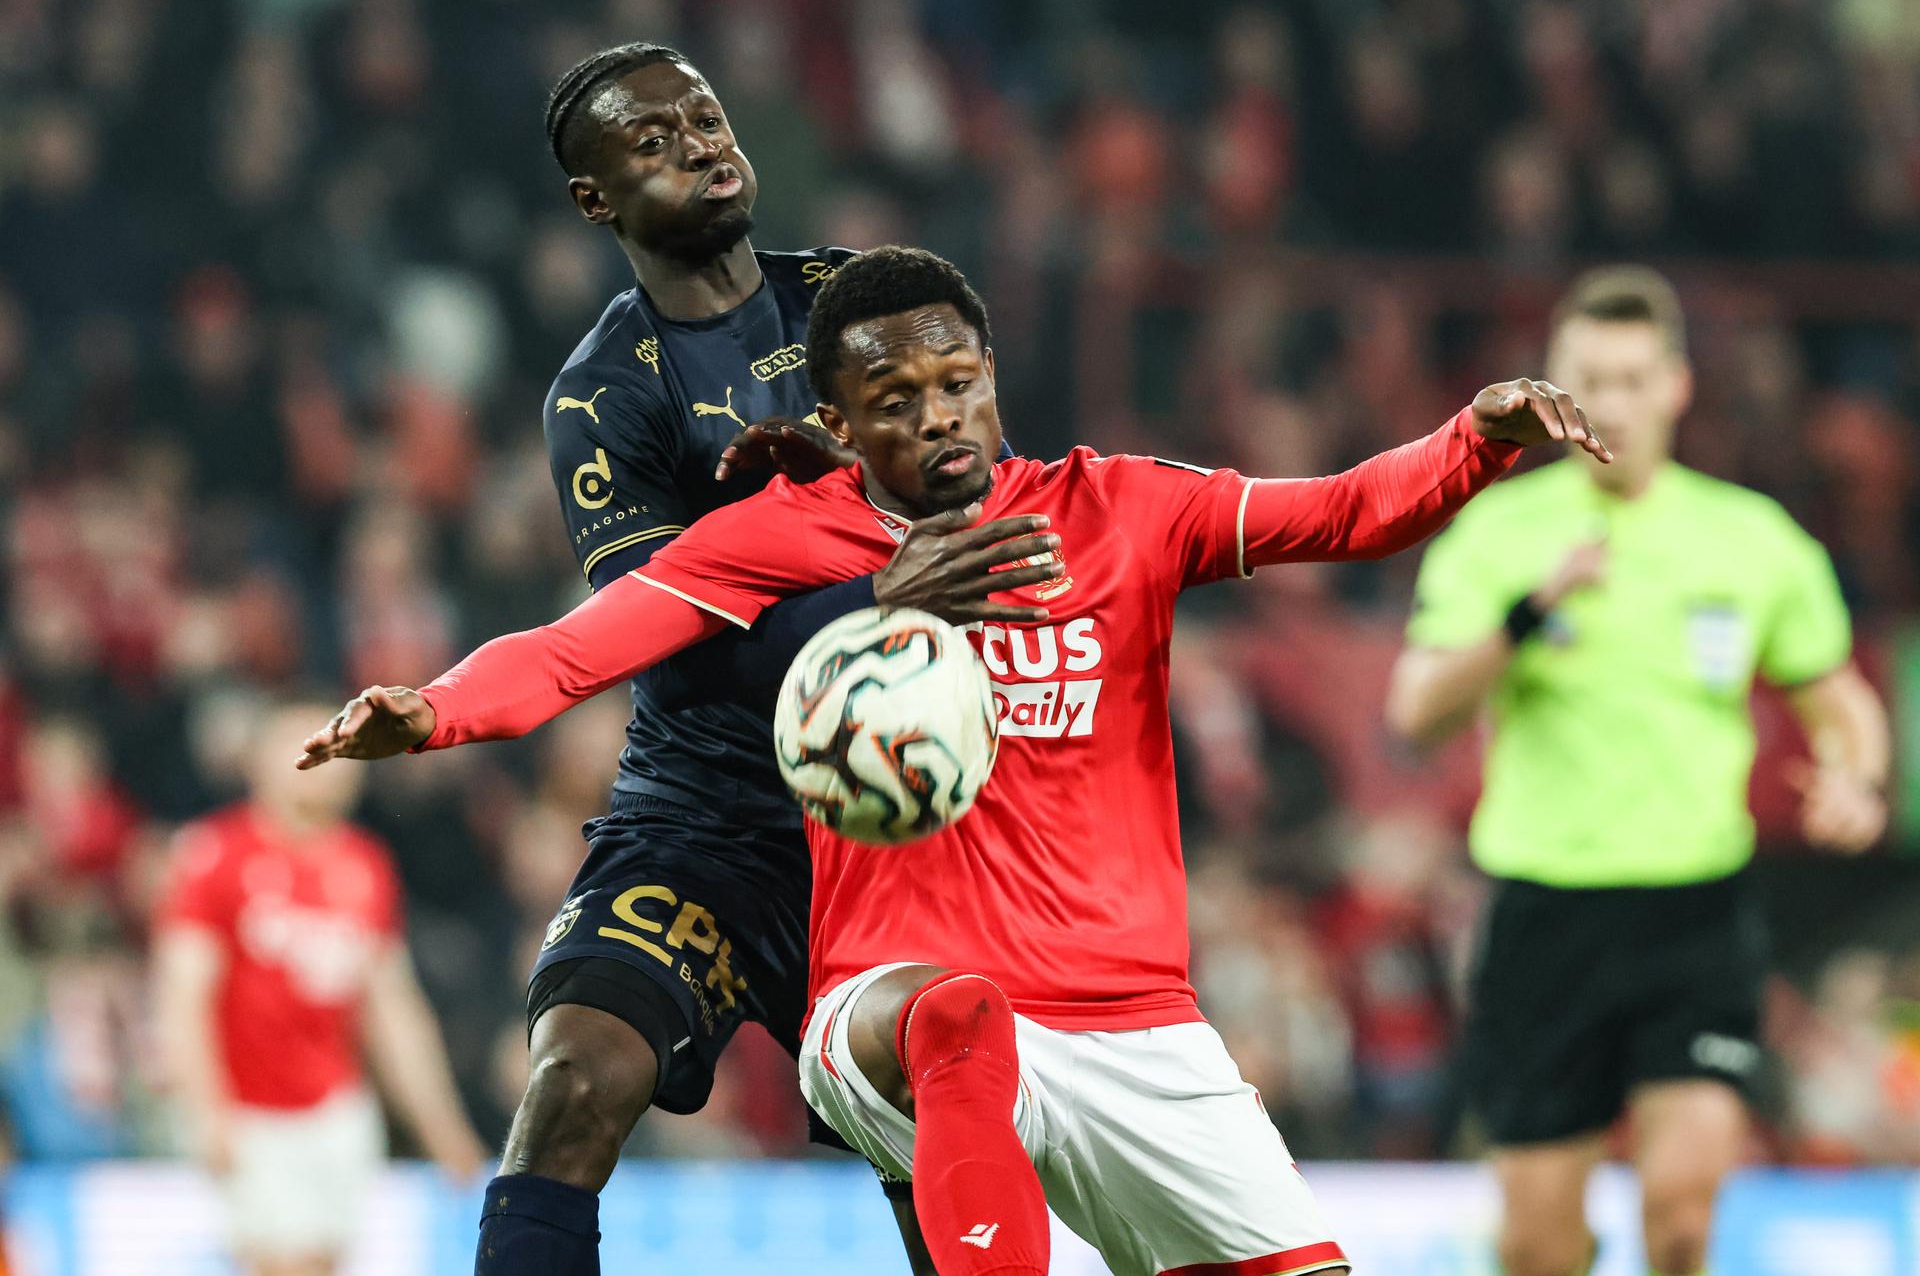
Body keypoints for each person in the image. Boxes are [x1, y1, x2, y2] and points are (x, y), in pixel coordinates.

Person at [297, 246, 1610, 1276]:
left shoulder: (1116, 509)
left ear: (991, 373)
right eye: (895, 402)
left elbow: (1341, 512)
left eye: (957, 383)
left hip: (1137, 1026)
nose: (939, 417)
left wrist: (1478, 439)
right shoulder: (787, 539)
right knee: (958, 1014)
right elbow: (579, 648)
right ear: (837, 419)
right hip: (887, 1003)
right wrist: (435, 709)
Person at [489, 42, 1036, 1276]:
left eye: (706, 117)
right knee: (575, 1078)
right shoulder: (602, 397)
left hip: (892, 825)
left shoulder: (855, 299)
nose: (699, 145)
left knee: (936, 1162)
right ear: (596, 200)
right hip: (706, 816)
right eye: (654, 141)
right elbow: (662, 635)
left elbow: (994, 493)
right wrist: (872, 590)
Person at [1385, 266, 1892, 1276]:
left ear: (1677, 385)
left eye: (1630, 378)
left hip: (1693, 913)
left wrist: (1857, 778)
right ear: (1553, 392)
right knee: (1538, 1248)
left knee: (1681, 1217)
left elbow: (1840, 701)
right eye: (1588, 380)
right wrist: (1525, 616)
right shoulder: (1500, 532)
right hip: (1545, 913)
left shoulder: (1751, 540)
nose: (1609, 402)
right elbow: (1416, 712)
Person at [153, 700, 485, 1276]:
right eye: (298, 744)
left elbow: (393, 1009)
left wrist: (444, 1130)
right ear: (258, 763)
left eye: (334, 746)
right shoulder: (215, 854)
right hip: (250, 1112)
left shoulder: (366, 866)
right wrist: (206, 1109)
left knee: (326, 1263)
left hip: (337, 1110)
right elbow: (183, 994)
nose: (320, 761)